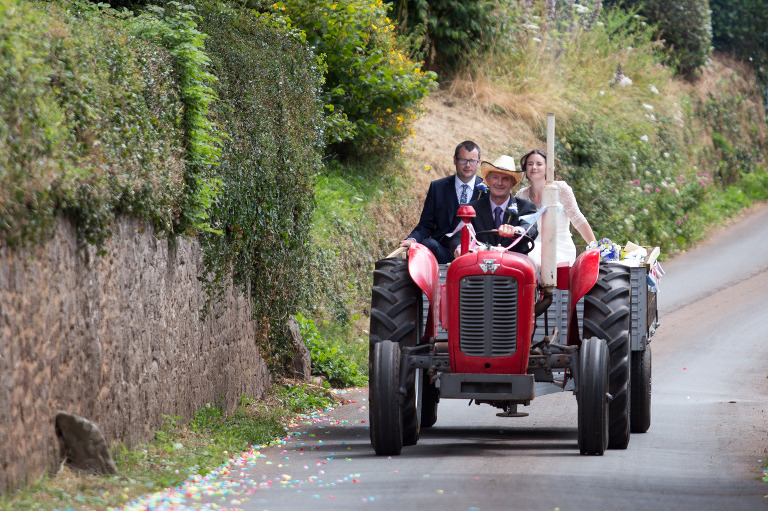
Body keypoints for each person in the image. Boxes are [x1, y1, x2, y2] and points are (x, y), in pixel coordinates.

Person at [400, 140, 485, 263]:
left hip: (476, 254)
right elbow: (426, 224)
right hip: (442, 251)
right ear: (454, 160)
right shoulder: (437, 187)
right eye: (463, 160)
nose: (468, 165)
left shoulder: (487, 190)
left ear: (478, 163)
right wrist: (413, 239)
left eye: (472, 161)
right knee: (427, 244)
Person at [513, 149, 597, 265]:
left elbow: (578, 219)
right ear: (525, 168)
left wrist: (595, 247)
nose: (534, 168)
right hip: (532, 248)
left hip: (560, 248)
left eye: (539, 164)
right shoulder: (521, 195)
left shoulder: (561, 189)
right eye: (530, 164)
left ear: (547, 168)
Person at [449, 155, 538, 258]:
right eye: (495, 177)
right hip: (479, 267)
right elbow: (458, 235)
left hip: (514, 267)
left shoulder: (526, 207)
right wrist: (459, 248)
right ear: (488, 180)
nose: (499, 183)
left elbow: (530, 229)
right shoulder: (472, 208)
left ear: (513, 183)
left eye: (505, 179)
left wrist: (516, 231)